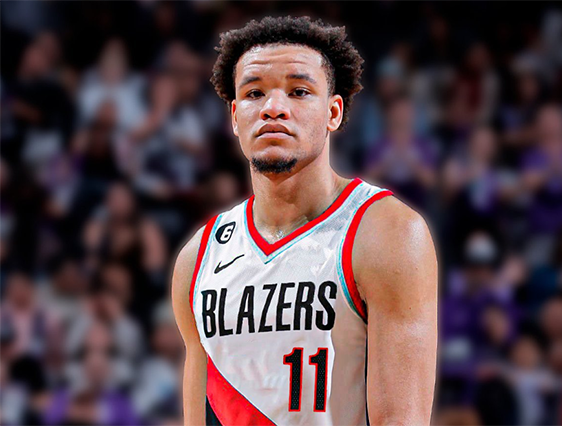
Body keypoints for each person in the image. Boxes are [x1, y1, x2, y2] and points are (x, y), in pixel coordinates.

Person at [171, 16, 438, 426]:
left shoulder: (386, 233)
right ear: (235, 117)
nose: (273, 108)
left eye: (298, 91)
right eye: (254, 93)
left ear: (333, 112)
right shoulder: (198, 258)